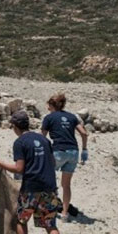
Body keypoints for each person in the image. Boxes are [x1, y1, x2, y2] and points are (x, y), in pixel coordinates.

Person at [0, 111, 68, 234]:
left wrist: (0, 164)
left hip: (31, 188)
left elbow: (19, 168)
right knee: (50, 224)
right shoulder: (44, 140)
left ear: (15, 126)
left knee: (21, 219)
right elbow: (52, 162)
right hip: (49, 187)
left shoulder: (20, 142)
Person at [41, 92, 89, 221]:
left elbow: (42, 137)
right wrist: (84, 150)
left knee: (47, 179)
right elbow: (84, 133)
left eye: (48, 105)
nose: (47, 107)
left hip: (58, 150)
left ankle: (49, 208)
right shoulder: (72, 117)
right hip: (73, 152)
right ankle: (65, 213)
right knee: (66, 185)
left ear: (52, 105)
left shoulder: (49, 118)